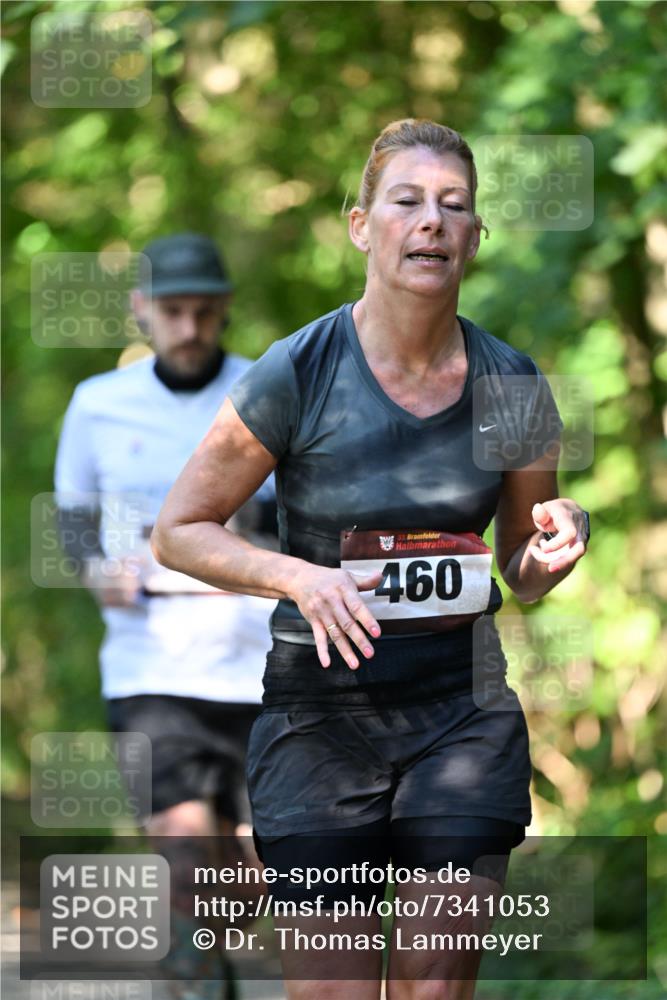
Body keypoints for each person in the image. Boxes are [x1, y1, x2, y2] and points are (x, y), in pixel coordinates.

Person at [151, 122, 590, 999]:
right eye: (407, 201)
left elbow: (518, 568)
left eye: (454, 207)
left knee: (434, 986)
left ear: (474, 237)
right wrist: (296, 576)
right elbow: (180, 529)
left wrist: (554, 545)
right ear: (361, 225)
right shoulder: (297, 371)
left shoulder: (512, 384)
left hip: (459, 717)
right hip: (322, 722)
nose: (431, 221)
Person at [54, 233, 276, 1000]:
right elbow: (73, 516)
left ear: (224, 312)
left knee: (266, 873)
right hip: (152, 671)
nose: (189, 328)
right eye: (173, 311)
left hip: (260, 672)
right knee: (184, 862)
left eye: (204, 312)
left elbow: (301, 517)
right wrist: (96, 574)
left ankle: (198, 955)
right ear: (141, 310)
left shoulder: (265, 391)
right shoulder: (97, 404)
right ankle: (192, 975)